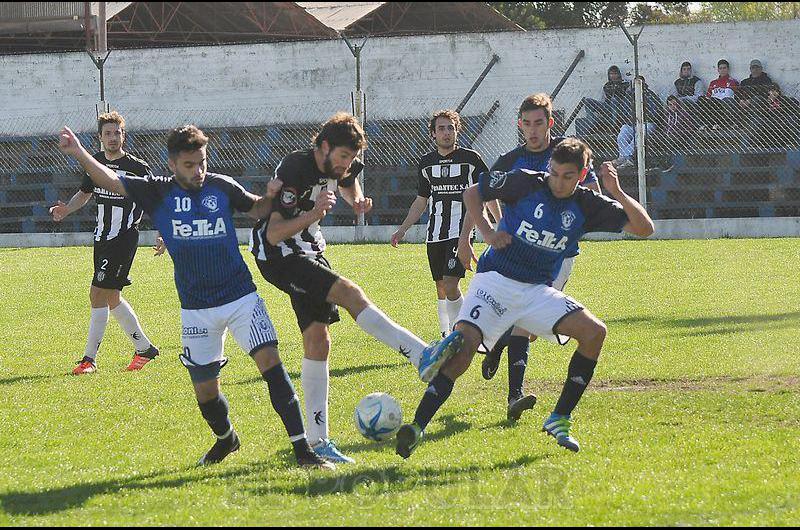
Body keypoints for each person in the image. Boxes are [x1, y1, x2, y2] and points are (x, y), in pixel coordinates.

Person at [58, 124, 334, 470]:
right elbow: (111, 181)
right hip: (196, 310)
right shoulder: (156, 192)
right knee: (205, 392)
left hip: (240, 298)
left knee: (272, 368)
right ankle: (226, 438)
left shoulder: (220, 186)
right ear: (172, 164)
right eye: (190, 165)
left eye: (202, 162)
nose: (198, 171)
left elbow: (257, 209)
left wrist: (275, 195)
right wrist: (79, 152)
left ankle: (303, 451)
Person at [396, 138, 654, 459]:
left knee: (594, 332)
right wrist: (487, 233)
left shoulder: (589, 204)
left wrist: (616, 192)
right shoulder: (524, 181)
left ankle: (559, 418)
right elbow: (473, 193)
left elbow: (645, 228)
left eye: (568, 176)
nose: (558, 182)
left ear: (582, 174)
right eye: (555, 173)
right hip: (494, 281)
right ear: (549, 168)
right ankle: (416, 427)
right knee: (462, 355)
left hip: (535, 292)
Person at [249, 112, 463, 464]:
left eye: (351, 158)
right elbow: (273, 234)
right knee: (350, 294)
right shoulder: (295, 170)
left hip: (311, 252)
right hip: (279, 256)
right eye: (343, 156)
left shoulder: (338, 164)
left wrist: (356, 200)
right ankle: (420, 355)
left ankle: (318, 441)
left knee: (319, 339)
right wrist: (314, 213)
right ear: (324, 146)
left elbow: (348, 181)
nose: (347, 164)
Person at [459, 93, 601, 425]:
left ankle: (497, 344)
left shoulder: (569, 156)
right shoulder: (510, 160)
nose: (533, 130)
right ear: (519, 125)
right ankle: (514, 396)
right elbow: (479, 196)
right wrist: (466, 239)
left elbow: (593, 194)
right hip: (514, 258)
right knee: (525, 324)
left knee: (530, 328)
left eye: (540, 123)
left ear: (551, 123)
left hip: (558, 257)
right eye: (527, 123)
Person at [49, 111, 161, 375]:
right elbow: (85, 193)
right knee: (111, 297)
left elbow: (154, 200)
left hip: (123, 238)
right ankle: (144, 348)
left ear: (124, 135)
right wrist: (67, 210)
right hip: (102, 237)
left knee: (97, 293)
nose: (112, 138)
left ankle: (89, 359)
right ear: (100, 138)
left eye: (116, 133)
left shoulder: (137, 167)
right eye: (107, 134)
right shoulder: (96, 163)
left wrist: (162, 231)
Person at [391, 109, 495, 339]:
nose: (446, 133)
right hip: (435, 233)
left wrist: (495, 222)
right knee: (441, 287)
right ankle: (445, 333)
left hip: (461, 231)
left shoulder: (471, 159)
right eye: (441, 128)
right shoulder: (426, 164)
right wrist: (403, 228)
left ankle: (465, 334)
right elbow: (421, 200)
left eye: (451, 128)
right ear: (433, 134)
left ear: (457, 131)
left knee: (450, 283)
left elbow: (486, 191)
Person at [613, 76, 661, 168]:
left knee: (639, 133)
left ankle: (626, 157)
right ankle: (623, 157)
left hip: (648, 123)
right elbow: (625, 111)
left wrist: (643, 119)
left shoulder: (650, 95)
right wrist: (630, 119)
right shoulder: (629, 95)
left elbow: (656, 112)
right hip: (633, 124)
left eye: (640, 83)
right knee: (624, 130)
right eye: (636, 83)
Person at [583, 65, 631, 133]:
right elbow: (603, 99)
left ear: (619, 74)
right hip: (608, 109)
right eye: (611, 74)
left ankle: (614, 127)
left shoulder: (625, 84)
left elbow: (628, 99)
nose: (613, 76)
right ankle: (592, 125)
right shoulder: (607, 86)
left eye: (615, 73)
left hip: (621, 109)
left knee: (614, 100)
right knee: (587, 101)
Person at [698, 59, 739, 129]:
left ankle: (723, 124)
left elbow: (737, 97)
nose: (722, 70)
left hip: (725, 105)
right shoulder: (713, 83)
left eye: (724, 68)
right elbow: (708, 96)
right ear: (718, 70)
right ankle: (706, 124)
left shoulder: (733, 82)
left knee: (722, 101)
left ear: (728, 69)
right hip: (713, 104)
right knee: (701, 99)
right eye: (720, 68)